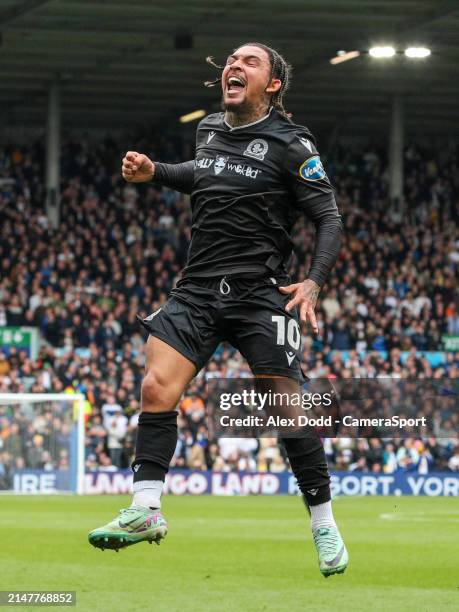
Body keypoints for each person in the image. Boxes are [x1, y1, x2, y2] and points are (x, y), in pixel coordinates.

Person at [88, 42, 348, 577]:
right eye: (232, 59)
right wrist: (155, 171)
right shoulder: (209, 127)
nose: (235, 65)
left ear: (273, 84)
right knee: (156, 387)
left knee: (286, 410)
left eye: (250, 62)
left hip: (262, 293)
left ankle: (322, 521)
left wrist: (314, 283)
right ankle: (145, 510)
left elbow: (330, 218)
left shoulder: (293, 144)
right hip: (198, 288)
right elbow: (204, 174)